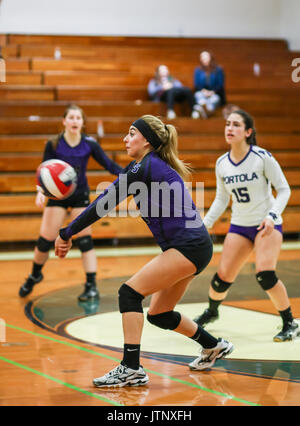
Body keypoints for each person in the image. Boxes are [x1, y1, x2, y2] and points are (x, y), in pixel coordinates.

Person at [55, 114, 234, 387]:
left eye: (131, 133)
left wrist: (67, 232)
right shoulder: (146, 167)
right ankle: (214, 346)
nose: (125, 139)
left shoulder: (146, 166)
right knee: (160, 314)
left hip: (188, 246)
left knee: (129, 293)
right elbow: (110, 195)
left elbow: (103, 203)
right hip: (193, 246)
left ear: (147, 141)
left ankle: (131, 367)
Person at [194, 109, 299, 342]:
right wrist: (206, 224)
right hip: (239, 226)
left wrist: (272, 215)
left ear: (248, 132)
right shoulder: (222, 163)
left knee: (265, 274)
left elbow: (284, 189)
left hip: (266, 225)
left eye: (236, 125)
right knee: (221, 279)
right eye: (227, 124)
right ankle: (212, 312)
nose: (229, 128)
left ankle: (289, 322)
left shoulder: (262, 157)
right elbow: (222, 199)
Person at [19, 104, 123, 302]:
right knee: (45, 240)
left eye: (78, 118)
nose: (75, 121)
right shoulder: (54, 144)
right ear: (64, 121)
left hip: (79, 195)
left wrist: (131, 176)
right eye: (71, 117)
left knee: (85, 240)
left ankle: (91, 286)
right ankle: (34, 275)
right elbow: (44, 171)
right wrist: (40, 192)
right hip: (57, 196)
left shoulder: (90, 144)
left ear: (82, 123)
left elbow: (109, 165)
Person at [193, 51, 226, 118]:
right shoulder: (197, 70)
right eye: (202, 57)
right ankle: (205, 110)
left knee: (214, 99)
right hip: (202, 92)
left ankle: (201, 110)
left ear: (210, 58)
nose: (203, 59)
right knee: (198, 96)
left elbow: (220, 84)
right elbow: (197, 84)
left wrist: (212, 92)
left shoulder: (218, 69)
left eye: (205, 57)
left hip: (215, 93)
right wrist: (204, 91)